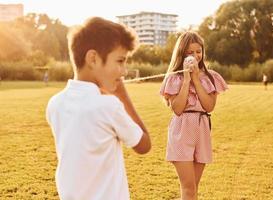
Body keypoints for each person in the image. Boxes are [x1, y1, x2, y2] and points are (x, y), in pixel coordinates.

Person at [46, 17, 151, 200]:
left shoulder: (55, 104)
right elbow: (144, 145)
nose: (124, 71)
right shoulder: (108, 106)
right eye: (120, 61)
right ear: (93, 58)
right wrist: (122, 95)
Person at [160, 31, 228, 199]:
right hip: (182, 130)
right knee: (188, 188)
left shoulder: (211, 77)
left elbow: (209, 106)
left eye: (198, 51)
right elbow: (177, 109)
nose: (195, 56)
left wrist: (197, 79)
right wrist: (186, 80)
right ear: (182, 54)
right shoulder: (174, 78)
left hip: (202, 128)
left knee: (194, 188)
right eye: (190, 52)